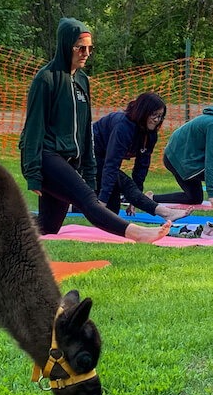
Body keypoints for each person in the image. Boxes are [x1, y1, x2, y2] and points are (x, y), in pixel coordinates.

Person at [19, 17, 170, 243]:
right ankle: (137, 234)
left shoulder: (82, 79)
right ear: (66, 45)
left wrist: (89, 171)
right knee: (88, 199)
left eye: (90, 48)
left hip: (70, 159)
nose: (86, 53)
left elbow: (86, 131)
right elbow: (33, 127)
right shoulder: (46, 79)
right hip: (46, 156)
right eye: (81, 48)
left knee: (47, 227)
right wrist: (32, 173)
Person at [93, 92, 190, 221]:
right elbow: (111, 165)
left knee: (112, 211)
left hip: (104, 158)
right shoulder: (123, 127)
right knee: (122, 183)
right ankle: (164, 212)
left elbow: (141, 167)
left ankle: (77, 207)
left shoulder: (150, 135)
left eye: (160, 116)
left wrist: (134, 200)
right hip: (89, 154)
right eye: (154, 115)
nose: (157, 120)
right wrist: (103, 199)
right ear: (143, 111)